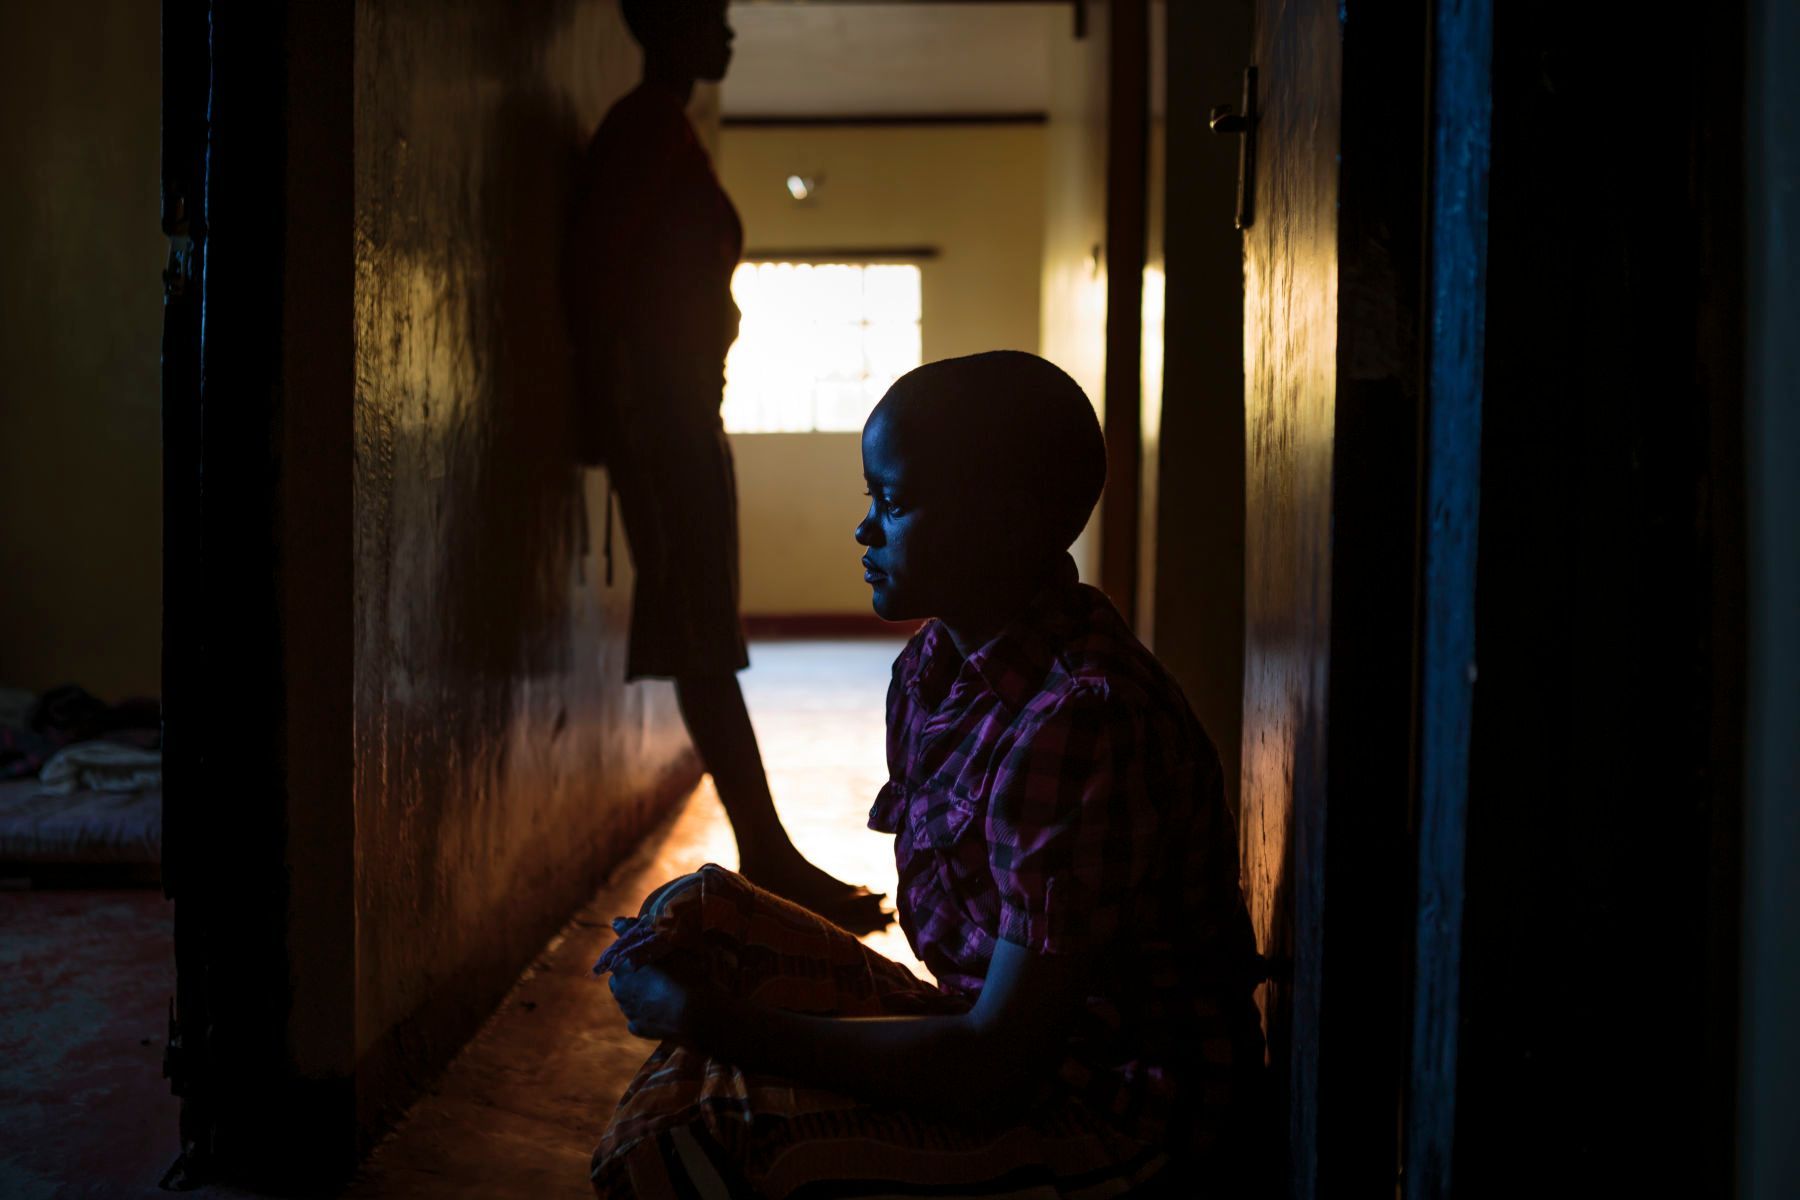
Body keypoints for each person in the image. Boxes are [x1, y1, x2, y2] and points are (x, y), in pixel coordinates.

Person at [591, 352, 1265, 1198]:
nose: (865, 529)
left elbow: (996, 1068)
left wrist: (711, 1023)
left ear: (1008, 523)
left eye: (895, 503)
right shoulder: (933, 668)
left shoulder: (1082, 719)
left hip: (1116, 1108)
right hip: (994, 1039)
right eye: (871, 497)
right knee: (703, 917)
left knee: (712, 1146)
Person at [566, 0, 886, 929]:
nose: (731, 34)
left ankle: (769, 848)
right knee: (699, 632)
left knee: (704, 628)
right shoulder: (644, 130)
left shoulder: (664, 128)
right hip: (661, 415)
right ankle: (770, 852)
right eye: (713, 14)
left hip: (682, 411)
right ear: (664, 23)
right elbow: (600, 281)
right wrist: (615, 415)